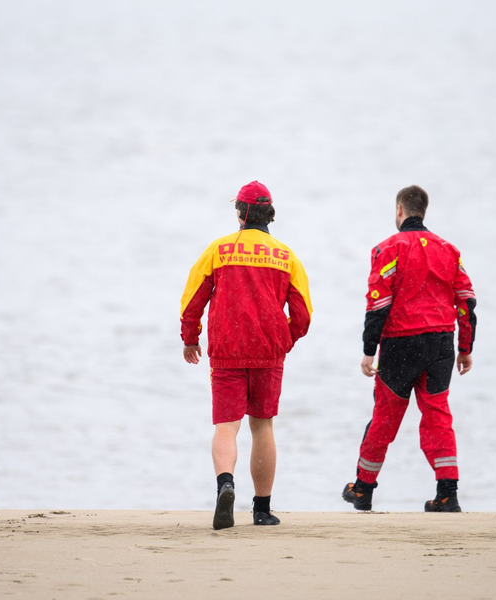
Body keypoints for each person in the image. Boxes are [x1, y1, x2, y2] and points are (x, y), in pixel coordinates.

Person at [180, 181, 312, 530]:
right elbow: (303, 314)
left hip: (227, 350)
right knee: (263, 425)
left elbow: (193, 297)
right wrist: (284, 340)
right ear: (269, 215)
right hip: (268, 352)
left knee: (227, 425)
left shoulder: (218, 250)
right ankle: (261, 510)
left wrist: (190, 338)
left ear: (240, 214)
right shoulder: (287, 256)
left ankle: (226, 484)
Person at [342, 185, 477, 513]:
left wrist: (368, 350)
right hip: (441, 342)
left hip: (401, 343)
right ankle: (447, 493)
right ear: (423, 211)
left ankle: (363, 489)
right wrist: (465, 347)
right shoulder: (449, 250)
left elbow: (378, 303)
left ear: (399, 211)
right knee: (437, 415)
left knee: (385, 416)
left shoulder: (388, 249)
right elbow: (467, 301)